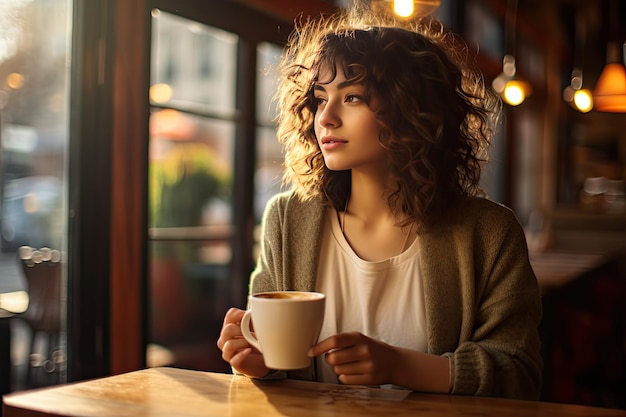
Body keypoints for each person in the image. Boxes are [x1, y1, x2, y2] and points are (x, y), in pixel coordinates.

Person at [217, 4, 542, 400]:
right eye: (320, 99)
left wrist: (399, 366)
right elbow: (272, 366)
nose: (326, 118)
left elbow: (519, 372)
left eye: (352, 97)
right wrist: (255, 363)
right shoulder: (288, 219)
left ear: (412, 110)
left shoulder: (490, 233)